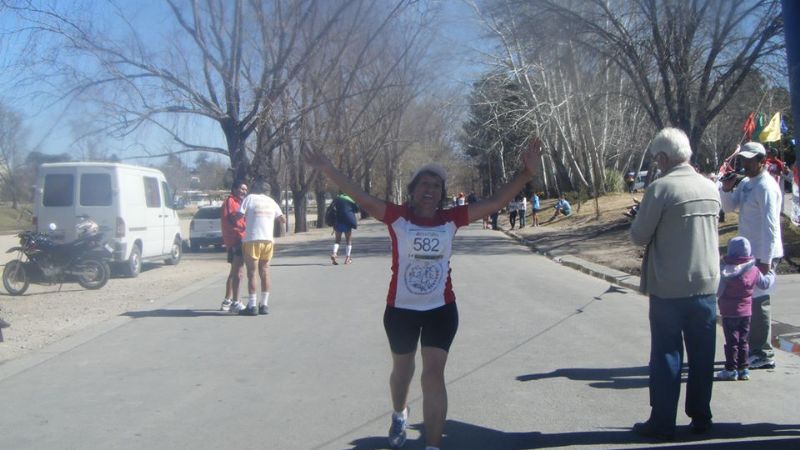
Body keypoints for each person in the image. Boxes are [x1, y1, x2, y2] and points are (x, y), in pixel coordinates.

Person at [304, 142, 541, 450]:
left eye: (436, 185)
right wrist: (327, 169)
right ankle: (400, 413)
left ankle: (432, 445)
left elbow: (495, 202)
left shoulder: (451, 219)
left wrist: (526, 174)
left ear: (442, 194)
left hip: (441, 310)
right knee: (402, 373)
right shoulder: (397, 216)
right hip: (400, 310)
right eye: (424, 184)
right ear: (412, 190)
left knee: (433, 375)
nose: (430, 189)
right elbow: (361, 195)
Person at [630, 127, 721, 441]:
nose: (656, 163)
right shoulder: (710, 187)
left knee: (667, 354)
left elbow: (638, 235)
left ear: (664, 157)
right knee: (702, 355)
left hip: (670, 285)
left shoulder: (661, 189)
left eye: (657, 158)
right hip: (708, 284)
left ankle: (663, 421)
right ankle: (702, 416)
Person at [719, 142, 783, 370]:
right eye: (743, 160)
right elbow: (729, 207)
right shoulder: (747, 183)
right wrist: (726, 189)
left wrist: (765, 260)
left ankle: (764, 353)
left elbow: (771, 226)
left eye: (749, 160)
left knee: (760, 300)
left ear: (762, 161)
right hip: (748, 255)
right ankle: (751, 347)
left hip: (764, 253)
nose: (744, 164)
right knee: (748, 300)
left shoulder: (766, 186)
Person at [715, 236, 775, 382]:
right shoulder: (753, 270)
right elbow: (765, 284)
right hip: (746, 313)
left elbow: (718, 291)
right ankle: (743, 369)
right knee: (743, 341)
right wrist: (772, 273)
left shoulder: (724, 271)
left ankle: (730, 370)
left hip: (729, 313)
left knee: (732, 342)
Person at [238, 181, 286, 316]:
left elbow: (239, 215)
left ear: (256, 190)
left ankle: (252, 305)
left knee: (252, 273)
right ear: (268, 192)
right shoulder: (272, 202)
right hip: (267, 240)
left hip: (252, 239)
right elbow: (282, 219)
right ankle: (264, 305)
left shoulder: (250, 198)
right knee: (265, 272)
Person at [220, 180, 248, 312]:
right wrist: (246, 225)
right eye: (242, 189)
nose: (244, 191)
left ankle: (227, 300)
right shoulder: (231, 201)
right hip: (236, 238)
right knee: (238, 271)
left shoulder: (239, 202)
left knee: (233, 271)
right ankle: (235, 302)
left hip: (238, 238)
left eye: (245, 189)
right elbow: (233, 219)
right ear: (235, 189)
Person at [330, 192, 359, 265]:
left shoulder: (336, 198)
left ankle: (334, 253)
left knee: (337, 240)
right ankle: (347, 258)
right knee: (348, 240)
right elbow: (356, 209)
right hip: (347, 221)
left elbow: (332, 208)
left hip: (338, 221)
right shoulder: (350, 199)